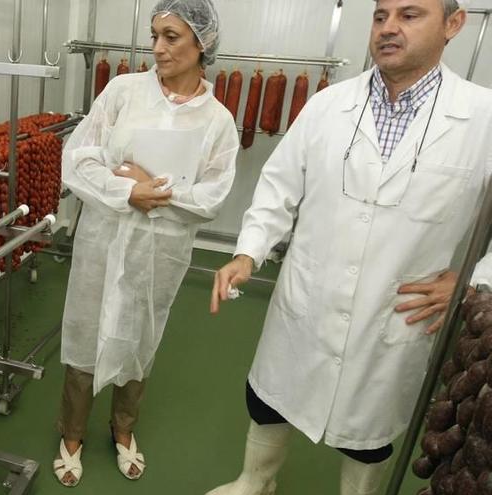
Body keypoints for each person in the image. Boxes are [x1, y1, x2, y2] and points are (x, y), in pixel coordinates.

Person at [208, 0, 492, 494]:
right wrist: (247, 252)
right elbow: (278, 187)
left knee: (370, 430)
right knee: (271, 397)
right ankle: (253, 483)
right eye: (381, 16)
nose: (388, 28)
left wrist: (474, 283)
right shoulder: (327, 105)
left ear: (453, 24)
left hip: (399, 311)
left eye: (409, 15)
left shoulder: (483, 118)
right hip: (309, 295)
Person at [53, 0, 238, 486]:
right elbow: (77, 161)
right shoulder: (122, 92)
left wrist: (155, 191)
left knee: (141, 336)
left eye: (172, 37)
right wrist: (124, 191)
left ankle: (123, 429)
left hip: (162, 250)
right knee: (86, 329)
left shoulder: (217, 120)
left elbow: (213, 196)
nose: (157, 48)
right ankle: (71, 433)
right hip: (104, 240)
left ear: (204, 43)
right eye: (155, 34)